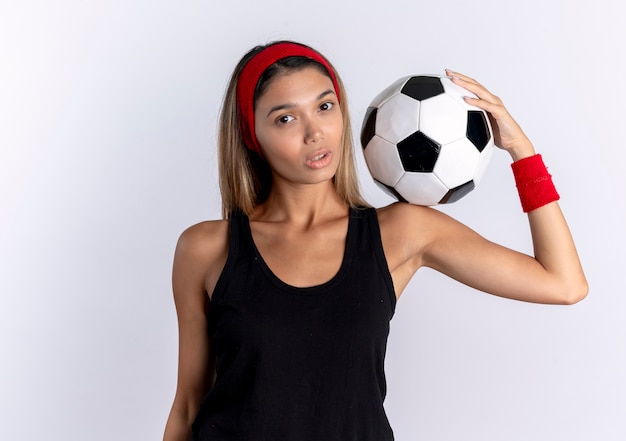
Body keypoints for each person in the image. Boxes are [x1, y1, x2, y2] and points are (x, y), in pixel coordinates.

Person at [162, 40, 588, 441]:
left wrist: (522, 150)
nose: (315, 133)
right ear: (252, 135)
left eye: (325, 106)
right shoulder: (207, 248)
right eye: (286, 118)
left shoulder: (401, 232)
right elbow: (186, 406)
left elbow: (563, 283)